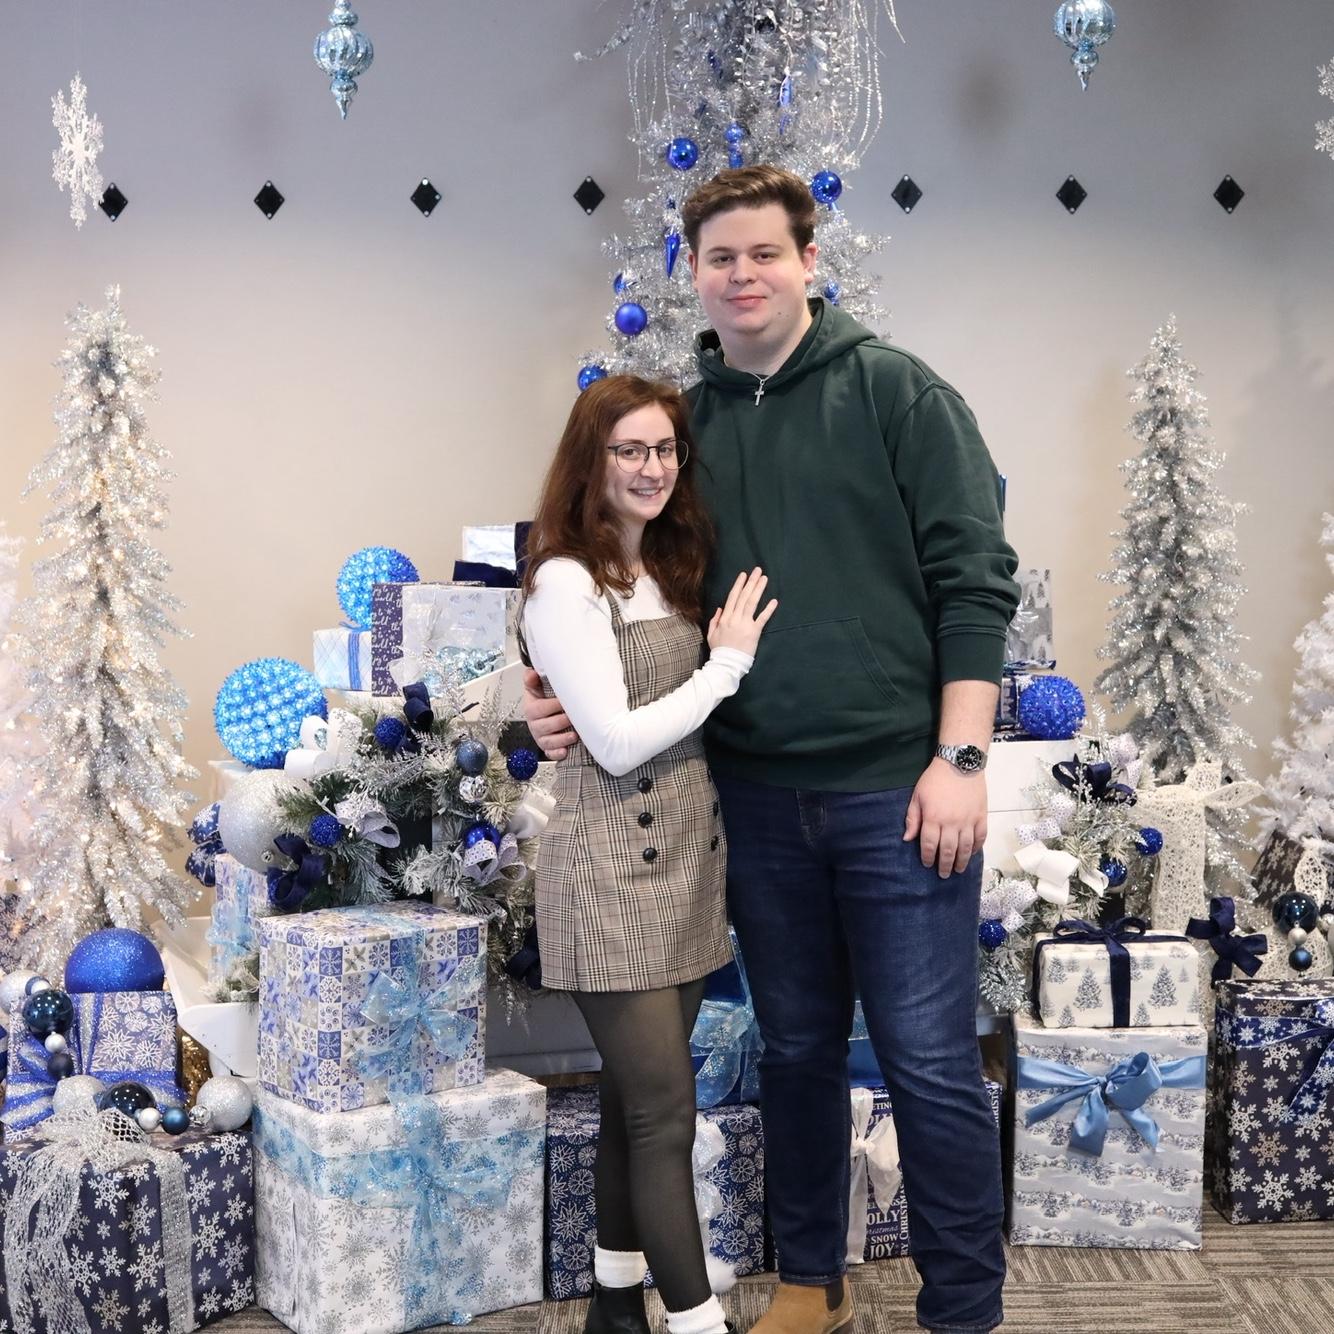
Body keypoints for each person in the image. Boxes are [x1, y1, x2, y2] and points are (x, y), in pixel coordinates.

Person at [525, 165, 1020, 1334]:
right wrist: (542, 702)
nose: (741, 275)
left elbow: (974, 583)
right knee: (793, 1048)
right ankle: (809, 1281)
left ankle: (962, 1309)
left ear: (808, 260)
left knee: (927, 1059)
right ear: (693, 273)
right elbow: (603, 575)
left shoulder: (898, 394)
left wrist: (959, 759)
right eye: (719, 258)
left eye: (763, 253)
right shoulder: (681, 425)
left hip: (896, 790)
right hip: (746, 795)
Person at [520, 373, 777, 1334]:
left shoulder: (668, 564)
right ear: (591, 460)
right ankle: (700, 1323)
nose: (651, 467)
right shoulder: (565, 581)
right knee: (665, 1115)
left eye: (665, 448)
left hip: (686, 868)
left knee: (636, 1102)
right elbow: (619, 743)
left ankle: (616, 1303)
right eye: (629, 449)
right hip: (606, 871)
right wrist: (727, 665)